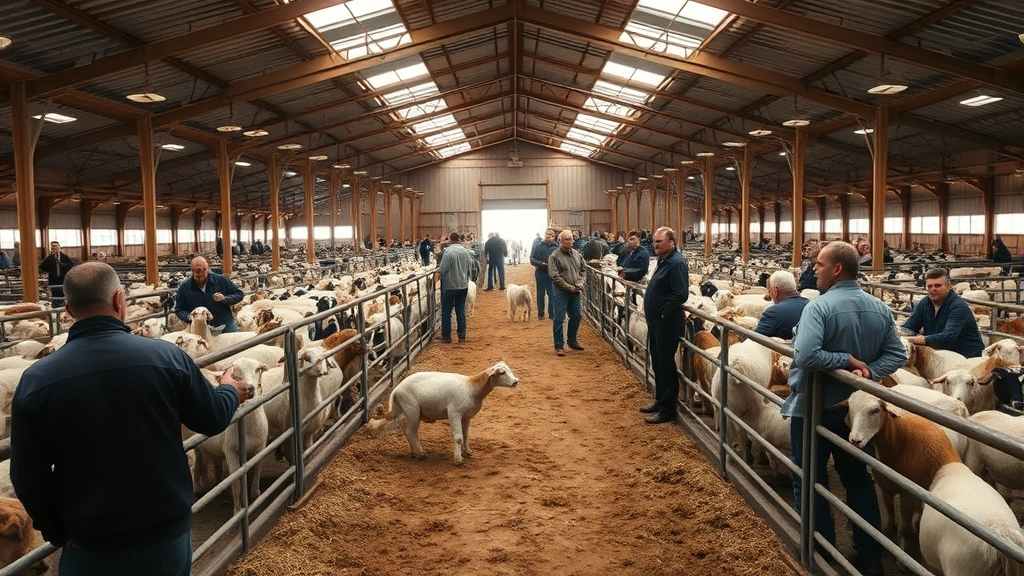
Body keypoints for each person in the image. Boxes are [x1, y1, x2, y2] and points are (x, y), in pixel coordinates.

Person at [10, 261, 253, 575]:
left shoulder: (36, 380)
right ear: (119, 300)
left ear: (68, 310)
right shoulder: (167, 358)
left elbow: (27, 475)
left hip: (90, 544)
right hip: (163, 535)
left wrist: (56, 531)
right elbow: (212, 419)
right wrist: (230, 390)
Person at [781, 241, 907, 576]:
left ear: (837, 268)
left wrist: (846, 361)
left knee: (810, 477)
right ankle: (870, 556)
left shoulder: (818, 308)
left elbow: (806, 355)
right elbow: (898, 354)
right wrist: (868, 374)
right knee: (858, 481)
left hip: (815, 407)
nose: (814, 269)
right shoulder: (878, 308)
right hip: (857, 414)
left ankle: (820, 551)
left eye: (819, 264)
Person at [638, 227, 688, 424]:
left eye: (659, 241)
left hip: (667, 323)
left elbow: (680, 294)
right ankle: (660, 400)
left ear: (671, 242)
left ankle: (668, 409)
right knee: (658, 361)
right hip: (657, 322)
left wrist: (663, 311)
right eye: (654, 241)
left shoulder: (676, 263)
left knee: (666, 364)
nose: (655, 244)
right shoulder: (664, 260)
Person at [900, 267, 984, 358]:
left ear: (949, 287)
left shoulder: (958, 307)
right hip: (940, 354)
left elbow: (947, 337)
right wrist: (895, 335)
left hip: (966, 357)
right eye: (929, 286)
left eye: (937, 286)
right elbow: (910, 327)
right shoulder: (925, 303)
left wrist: (909, 339)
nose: (933, 289)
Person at [174, 256, 245, 333]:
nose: (201, 273)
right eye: (197, 271)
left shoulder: (221, 280)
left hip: (225, 326)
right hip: (200, 330)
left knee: (234, 344)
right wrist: (189, 317)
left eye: (204, 270)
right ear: (192, 271)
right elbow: (179, 309)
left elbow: (239, 294)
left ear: (208, 269)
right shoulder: (184, 288)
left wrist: (225, 299)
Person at [548, 229, 586, 357]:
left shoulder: (577, 254)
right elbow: (555, 276)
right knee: (559, 318)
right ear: (560, 241)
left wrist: (580, 282)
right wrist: (568, 286)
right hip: (561, 292)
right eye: (567, 239)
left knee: (576, 315)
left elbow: (583, 270)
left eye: (571, 239)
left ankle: (572, 340)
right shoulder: (554, 256)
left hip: (575, 290)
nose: (570, 241)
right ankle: (559, 345)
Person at [438, 232, 474, 343]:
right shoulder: (465, 251)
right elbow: (470, 267)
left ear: (450, 240)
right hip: (463, 285)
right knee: (460, 310)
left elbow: (443, 269)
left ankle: (446, 336)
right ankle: (462, 335)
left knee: (446, 311)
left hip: (450, 286)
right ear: (459, 239)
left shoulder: (448, 252)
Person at [754, 270, 809, 340]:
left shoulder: (773, 312)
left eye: (769, 290)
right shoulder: (810, 305)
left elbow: (756, 341)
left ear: (775, 290)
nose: (769, 294)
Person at [530, 229, 558, 320]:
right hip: (540, 272)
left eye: (550, 234)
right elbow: (532, 259)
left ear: (554, 236)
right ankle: (540, 314)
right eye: (547, 234)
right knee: (540, 294)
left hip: (552, 273)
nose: (548, 235)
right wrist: (540, 263)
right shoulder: (538, 246)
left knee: (552, 294)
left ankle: (552, 313)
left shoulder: (557, 247)